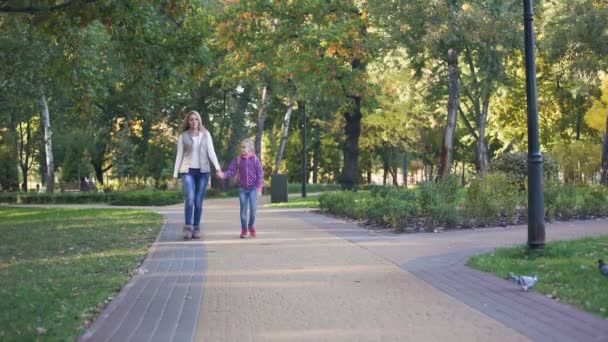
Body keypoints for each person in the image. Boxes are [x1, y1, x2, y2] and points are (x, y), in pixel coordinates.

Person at [173, 110, 224, 240]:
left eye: (196, 119)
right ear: (188, 122)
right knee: (190, 198)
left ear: (199, 121)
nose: (194, 122)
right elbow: (179, 155)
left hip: (203, 172)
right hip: (187, 171)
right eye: (191, 119)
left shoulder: (206, 135)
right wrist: (174, 175)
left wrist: (218, 169)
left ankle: (196, 228)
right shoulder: (183, 136)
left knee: (198, 201)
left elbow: (211, 152)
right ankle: (188, 227)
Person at [220, 138, 264, 238]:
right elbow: (231, 171)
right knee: (243, 211)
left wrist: (259, 188)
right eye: (241, 147)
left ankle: (251, 226)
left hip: (253, 188)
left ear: (250, 148)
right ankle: (244, 229)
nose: (241, 149)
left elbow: (260, 174)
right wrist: (223, 175)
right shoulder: (238, 160)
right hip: (242, 189)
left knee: (253, 209)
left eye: (244, 147)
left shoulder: (256, 160)